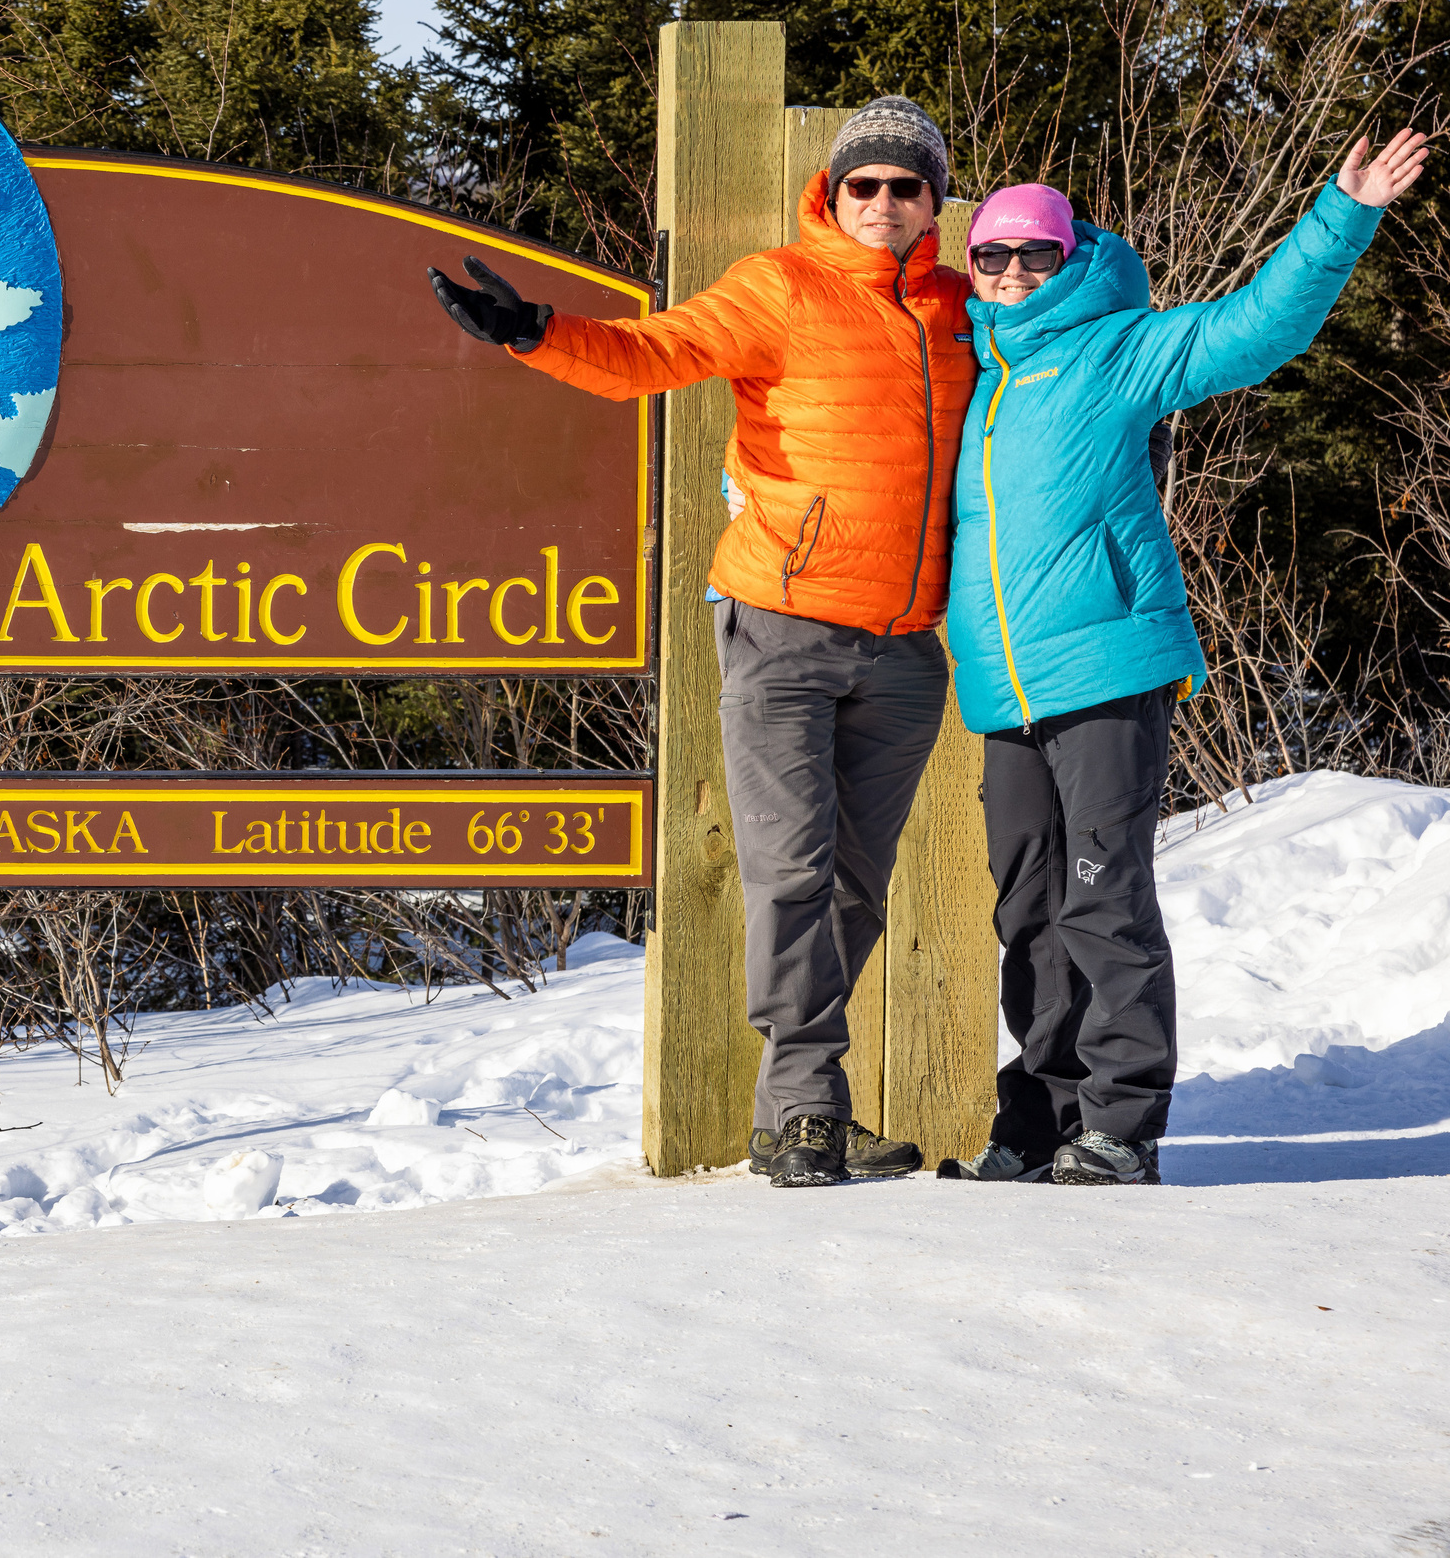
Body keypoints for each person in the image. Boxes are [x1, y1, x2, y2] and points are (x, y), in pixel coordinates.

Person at [428, 96, 975, 1187]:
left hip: (907, 647)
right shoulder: (779, 286)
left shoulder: (965, 307)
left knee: (857, 889)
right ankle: (808, 1109)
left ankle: (794, 1109)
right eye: (861, 183)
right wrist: (536, 332)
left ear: (933, 199)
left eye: (903, 185)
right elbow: (650, 354)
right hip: (780, 625)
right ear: (832, 190)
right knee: (790, 870)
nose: (881, 202)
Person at [939, 129, 1432, 1185]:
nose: (1015, 271)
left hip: (1106, 670)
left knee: (1099, 896)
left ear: (1071, 258)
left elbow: (1257, 331)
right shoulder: (971, 381)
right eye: (994, 255)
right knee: (1027, 914)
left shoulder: (1118, 350)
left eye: (1036, 252)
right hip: (1000, 691)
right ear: (970, 266)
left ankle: (1119, 1123)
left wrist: (1340, 214)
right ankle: (1041, 1116)